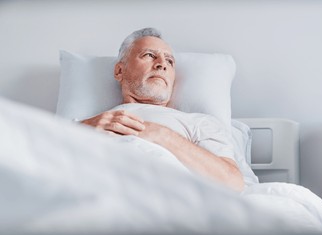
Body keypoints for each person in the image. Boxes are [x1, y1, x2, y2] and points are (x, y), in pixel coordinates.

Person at [81, 28, 244, 191]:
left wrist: (163, 136)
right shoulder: (92, 122)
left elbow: (232, 183)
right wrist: (82, 128)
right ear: (119, 71)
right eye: (149, 55)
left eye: (170, 61)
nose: (162, 64)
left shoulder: (199, 123)